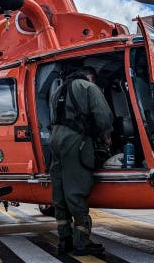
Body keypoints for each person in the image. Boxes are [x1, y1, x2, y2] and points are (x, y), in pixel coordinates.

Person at [50, 66, 114, 256]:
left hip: (55, 139)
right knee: (75, 189)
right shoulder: (88, 87)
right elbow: (103, 116)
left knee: (59, 190)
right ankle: (82, 242)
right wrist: (106, 136)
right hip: (74, 140)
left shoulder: (58, 90)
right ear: (90, 77)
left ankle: (64, 239)